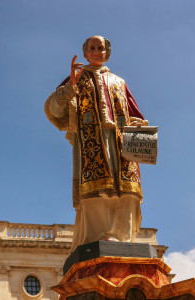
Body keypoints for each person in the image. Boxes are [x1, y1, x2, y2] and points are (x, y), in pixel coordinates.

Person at [44, 35, 149, 252]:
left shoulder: (119, 82)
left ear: (107, 53)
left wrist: (140, 125)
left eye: (100, 48)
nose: (96, 52)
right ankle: (101, 235)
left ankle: (124, 236)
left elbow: (134, 113)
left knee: (127, 190)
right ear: (85, 53)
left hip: (121, 142)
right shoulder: (77, 78)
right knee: (98, 188)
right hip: (91, 143)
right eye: (91, 48)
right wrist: (70, 86)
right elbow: (55, 110)